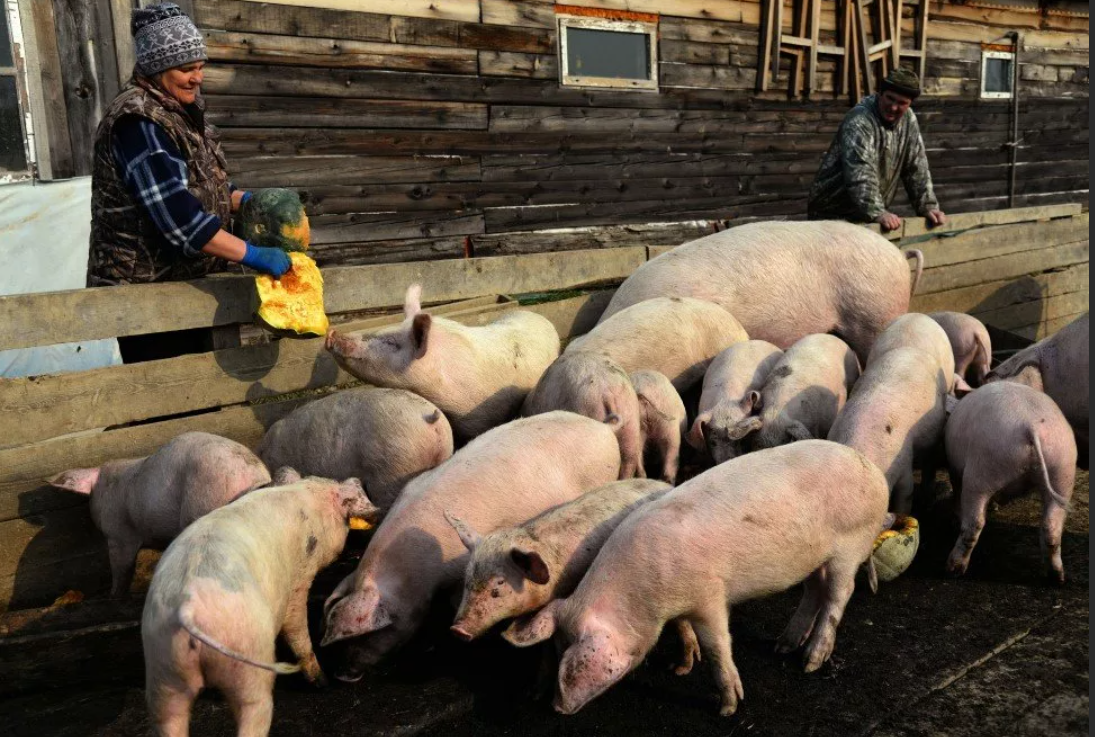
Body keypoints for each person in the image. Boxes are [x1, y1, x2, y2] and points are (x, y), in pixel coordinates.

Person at [87, 2, 290, 288]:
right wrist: (251, 253)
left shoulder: (178, 110)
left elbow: (199, 182)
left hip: (186, 281)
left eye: (200, 67)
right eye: (186, 69)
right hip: (145, 290)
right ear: (158, 69)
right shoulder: (138, 123)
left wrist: (246, 201)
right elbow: (180, 219)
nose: (198, 78)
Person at [807, 68, 946, 232]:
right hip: (832, 216)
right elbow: (860, 171)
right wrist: (877, 211)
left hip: (865, 218)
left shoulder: (909, 120)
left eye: (902, 103)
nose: (894, 107)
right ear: (880, 93)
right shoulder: (860, 120)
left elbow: (916, 168)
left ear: (910, 104)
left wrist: (928, 206)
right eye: (890, 98)